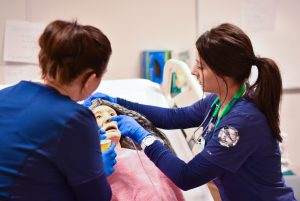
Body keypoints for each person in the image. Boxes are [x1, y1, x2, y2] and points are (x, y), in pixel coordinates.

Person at [86, 23, 296, 201]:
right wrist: (117, 102)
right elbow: (173, 117)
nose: (194, 71)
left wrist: (144, 137)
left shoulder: (241, 123)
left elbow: (187, 177)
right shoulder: (219, 101)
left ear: (225, 71)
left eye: (201, 66)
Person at [0, 20, 116, 201]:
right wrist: (100, 167)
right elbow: (97, 197)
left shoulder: (4, 95)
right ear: (91, 78)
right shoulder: (75, 119)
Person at [85, 99, 185, 201]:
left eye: (112, 114)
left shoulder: (147, 156)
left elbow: (180, 182)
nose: (109, 118)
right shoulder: (87, 169)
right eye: (98, 116)